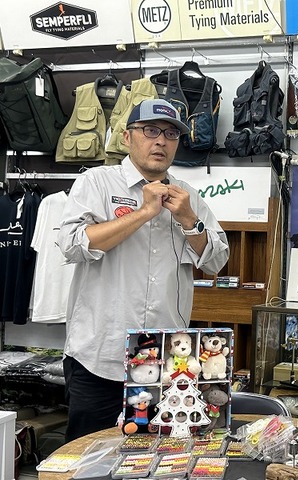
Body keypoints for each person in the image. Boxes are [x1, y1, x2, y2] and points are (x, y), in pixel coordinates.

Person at [58, 99, 229, 442]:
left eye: (171, 134)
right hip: (99, 358)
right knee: (89, 457)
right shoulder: (97, 183)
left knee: (156, 458)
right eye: (150, 130)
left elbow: (216, 261)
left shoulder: (188, 196)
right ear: (127, 137)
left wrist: (189, 220)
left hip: (166, 364)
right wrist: (144, 213)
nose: (161, 141)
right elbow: (73, 245)